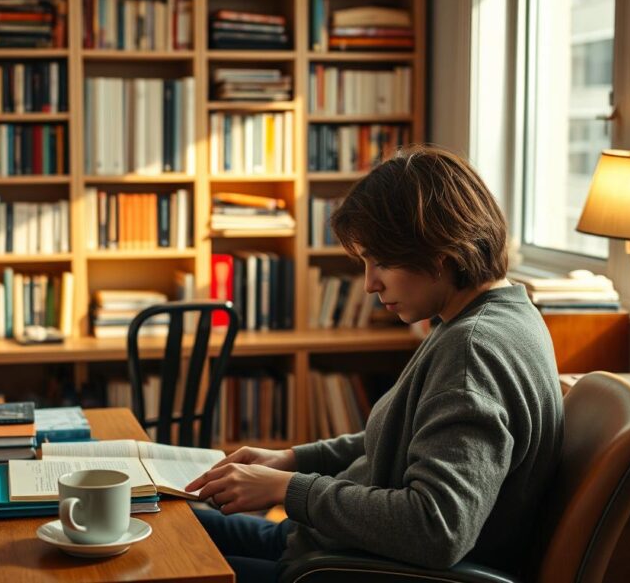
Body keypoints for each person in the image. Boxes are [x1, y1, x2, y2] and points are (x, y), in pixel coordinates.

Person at [186, 144, 565, 582]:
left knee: (157, 561)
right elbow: (396, 441)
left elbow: (436, 527)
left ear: (438, 252)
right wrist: (291, 460)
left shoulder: (471, 352)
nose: (369, 284)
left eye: (381, 261)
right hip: (326, 545)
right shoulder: (501, 313)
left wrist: (287, 490)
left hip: (344, 567)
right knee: (165, 524)